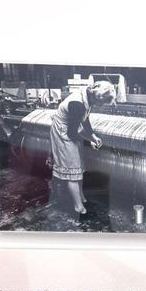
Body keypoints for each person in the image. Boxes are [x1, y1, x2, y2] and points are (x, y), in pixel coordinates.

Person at [49, 80, 117, 217]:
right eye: (102, 102)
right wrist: (88, 143)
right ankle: (78, 207)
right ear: (97, 97)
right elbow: (72, 133)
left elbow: (85, 119)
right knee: (72, 169)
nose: (102, 105)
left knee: (78, 166)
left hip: (70, 129)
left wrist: (93, 136)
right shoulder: (77, 104)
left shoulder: (87, 96)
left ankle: (81, 197)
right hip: (63, 132)